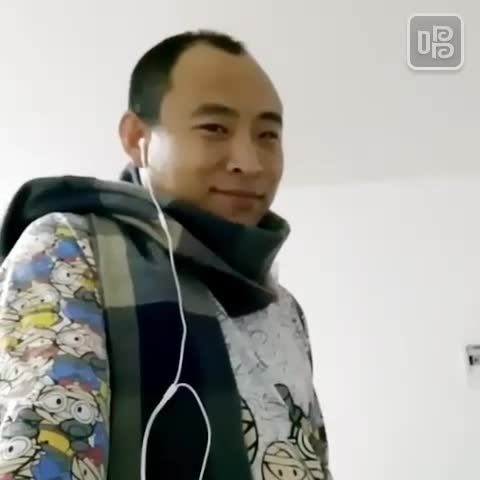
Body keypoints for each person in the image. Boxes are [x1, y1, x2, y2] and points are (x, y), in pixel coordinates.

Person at [0, 30, 333, 480]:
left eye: (268, 134)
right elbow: (42, 447)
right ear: (137, 137)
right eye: (215, 128)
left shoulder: (283, 308)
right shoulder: (70, 247)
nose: (250, 162)